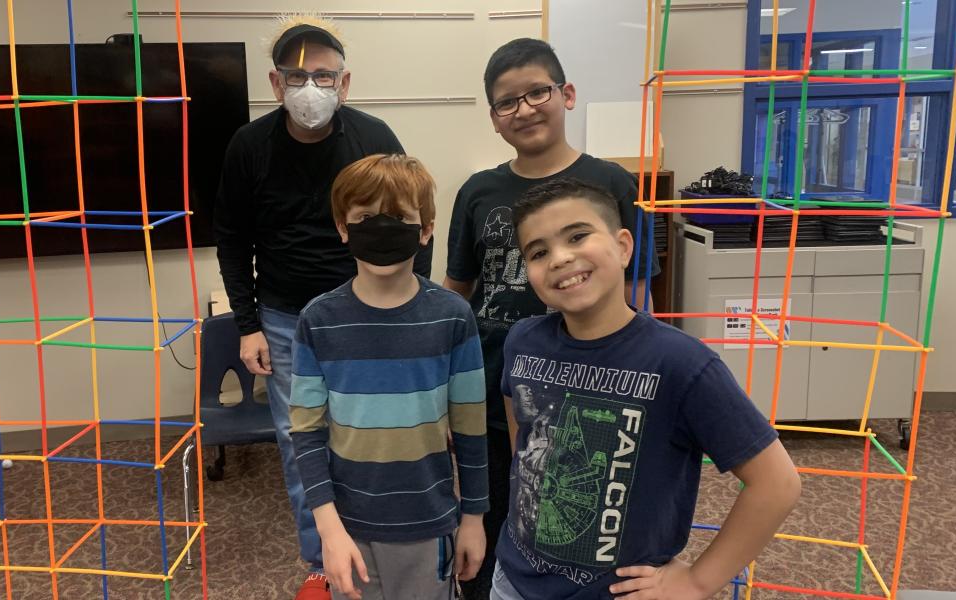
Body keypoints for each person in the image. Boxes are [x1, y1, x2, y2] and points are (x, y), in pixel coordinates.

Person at [490, 177, 800, 600]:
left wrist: (697, 581)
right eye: (539, 252)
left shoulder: (682, 363)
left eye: (577, 236)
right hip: (514, 581)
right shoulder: (522, 341)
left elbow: (777, 483)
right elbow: (523, 440)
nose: (560, 258)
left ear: (622, 246)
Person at [213, 16, 431, 598]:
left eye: (325, 76)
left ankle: (384, 546)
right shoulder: (248, 145)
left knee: (381, 430)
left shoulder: (373, 134)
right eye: (298, 75)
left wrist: (418, 308)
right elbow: (233, 239)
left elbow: (410, 216)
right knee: (300, 439)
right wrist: (248, 325)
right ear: (276, 82)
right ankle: (321, 561)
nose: (312, 87)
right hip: (286, 320)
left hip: (369, 309)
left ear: (346, 81)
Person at [444, 37, 660, 598]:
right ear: (493, 119)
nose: (525, 108)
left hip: (590, 394)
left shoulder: (610, 182)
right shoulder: (478, 192)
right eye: (507, 102)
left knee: (575, 530)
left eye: (537, 92)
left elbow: (638, 295)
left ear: (566, 94)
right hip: (493, 395)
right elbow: (457, 295)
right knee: (488, 529)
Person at [288, 153, 487, 600]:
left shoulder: (453, 317)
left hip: (428, 521)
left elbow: (471, 428)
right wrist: (328, 529)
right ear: (343, 227)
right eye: (365, 217)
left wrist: (473, 518)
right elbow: (306, 433)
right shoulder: (317, 321)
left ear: (426, 228)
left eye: (398, 216)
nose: (382, 228)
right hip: (348, 527)